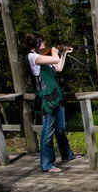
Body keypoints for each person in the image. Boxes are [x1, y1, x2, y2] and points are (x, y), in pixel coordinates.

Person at [25, 32, 77, 173]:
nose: (44, 45)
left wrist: (64, 52)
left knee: (60, 128)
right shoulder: (32, 57)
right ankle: (47, 164)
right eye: (42, 42)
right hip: (47, 100)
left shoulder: (44, 57)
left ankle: (67, 154)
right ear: (35, 44)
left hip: (56, 97)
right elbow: (54, 59)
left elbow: (59, 67)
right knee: (48, 131)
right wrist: (55, 51)